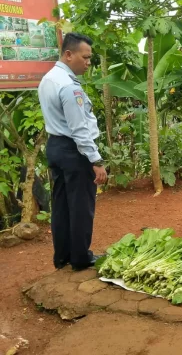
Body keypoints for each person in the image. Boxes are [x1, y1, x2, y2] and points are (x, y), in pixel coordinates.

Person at [38, 32, 107, 271]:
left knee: (61, 205)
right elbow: (79, 129)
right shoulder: (69, 86)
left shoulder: (49, 78)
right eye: (85, 57)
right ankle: (80, 257)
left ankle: (62, 256)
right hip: (74, 151)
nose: (88, 63)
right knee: (80, 205)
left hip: (55, 146)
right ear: (69, 54)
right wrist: (96, 160)